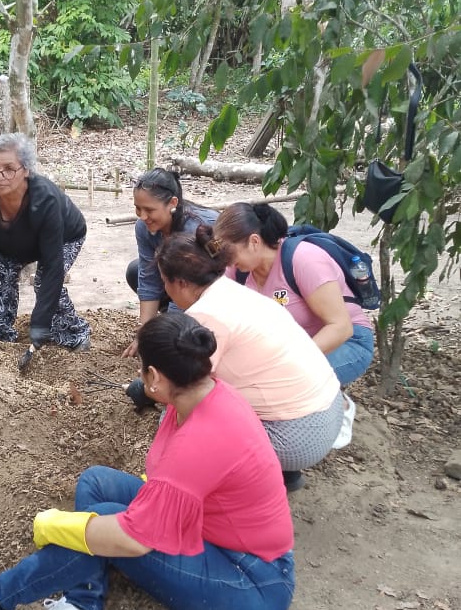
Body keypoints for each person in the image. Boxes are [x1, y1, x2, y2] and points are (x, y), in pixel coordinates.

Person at [0, 314, 295, 610]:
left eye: (141, 368)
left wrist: (59, 527)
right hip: (213, 536)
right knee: (97, 482)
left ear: (155, 377)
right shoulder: (205, 396)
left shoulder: (200, 439)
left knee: (103, 521)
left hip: (249, 584)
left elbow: (133, 538)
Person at [153, 226, 345, 492]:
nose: (165, 289)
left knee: (178, 412)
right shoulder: (233, 291)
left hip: (296, 437)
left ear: (181, 283)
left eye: (165, 281)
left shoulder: (205, 316)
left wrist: (152, 387)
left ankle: (221, 486)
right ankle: (282, 474)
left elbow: (183, 389)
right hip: (330, 410)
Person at [213, 202, 374, 445]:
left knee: (277, 381)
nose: (225, 260)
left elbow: (341, 327)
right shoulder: (239, 269)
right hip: (288, 345)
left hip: (347, 342)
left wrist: (285, 361)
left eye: (228, 251)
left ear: (254, 242)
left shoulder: (305, 260)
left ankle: (339, 407)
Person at [0, 133, 90, 351]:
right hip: (14, 239)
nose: (0, 176)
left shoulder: (45, 200)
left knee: (44, 281)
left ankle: (75, 334)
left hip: (65, 236)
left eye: (9, 168)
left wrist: (40, 323)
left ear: (26, 170)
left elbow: (53, 267)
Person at [123, 169, 218, 358]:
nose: (142, 216)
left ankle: (190, 324)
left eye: (149, 210)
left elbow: (186, 285)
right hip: (183, 289)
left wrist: (167, 337)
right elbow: (148, 279)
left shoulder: (195, 229)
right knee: (135, 270)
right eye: (138, 208)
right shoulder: (144, 227)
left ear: (172, 203)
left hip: (215, 288)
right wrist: (144, 333)